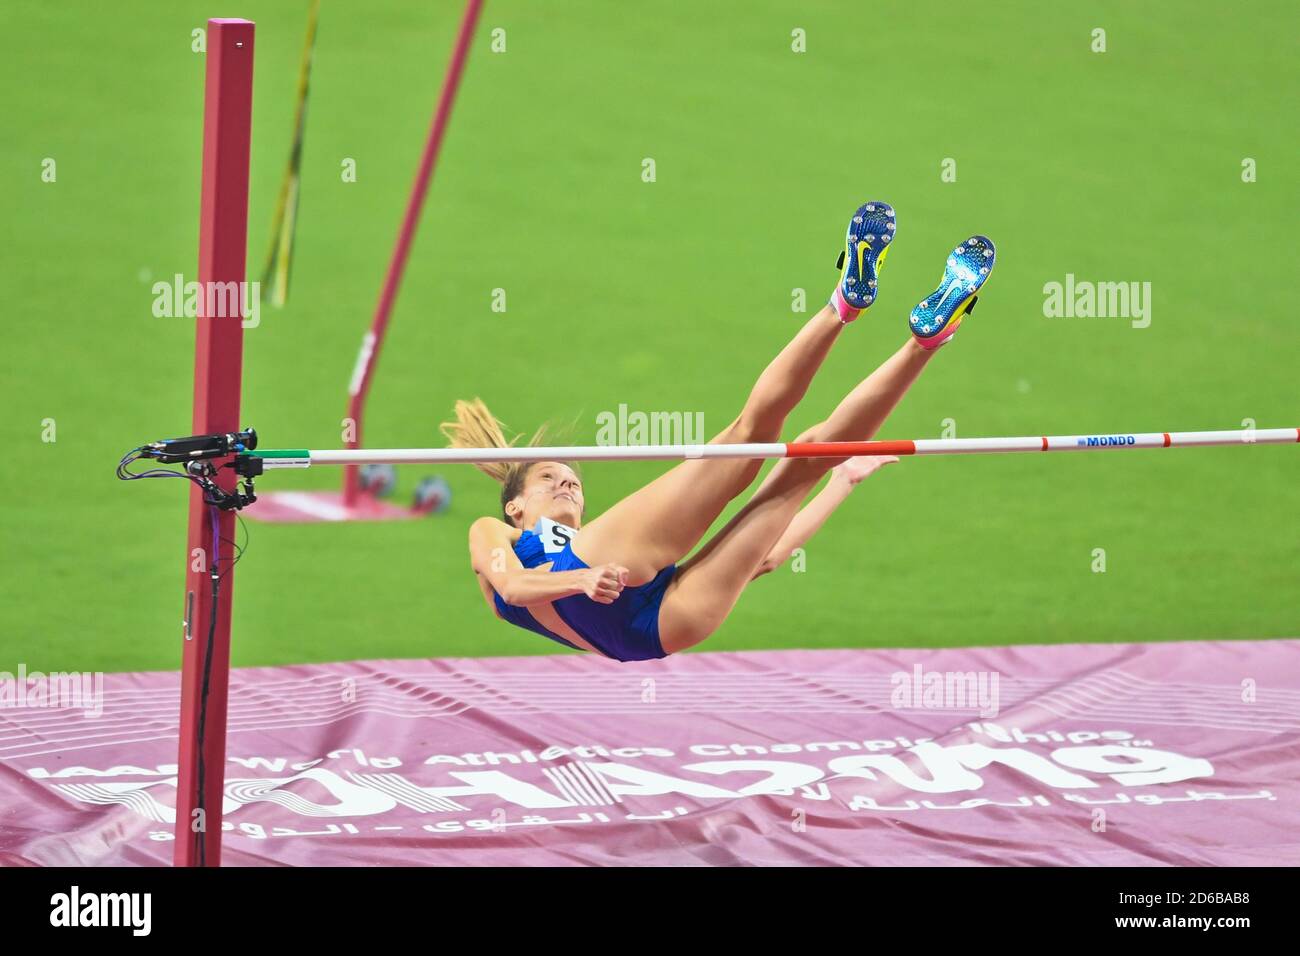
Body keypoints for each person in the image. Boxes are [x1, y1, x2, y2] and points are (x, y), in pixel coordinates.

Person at [441, 202, 995, 662]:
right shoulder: (495, 534)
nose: (567, 484)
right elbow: (512, 586)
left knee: (753, 436)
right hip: (660, 622)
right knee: (808, 462)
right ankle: (904, 333)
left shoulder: (590, 545)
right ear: (514, 507)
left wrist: (588, 579)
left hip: (619, 583)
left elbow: (762, 558)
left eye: (570, 479)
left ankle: (896, 325)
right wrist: (841, 484)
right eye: (548, 478)